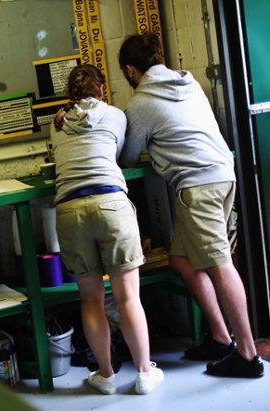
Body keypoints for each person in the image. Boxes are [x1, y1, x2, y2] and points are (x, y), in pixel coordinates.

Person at [117, 33, 264, 378]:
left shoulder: (140, 102)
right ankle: (220, 337)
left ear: (130, 70)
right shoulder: (188, 81)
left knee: (219, 263)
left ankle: (247, 355)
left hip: (197, 187)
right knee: (182, 260)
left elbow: (124, 158)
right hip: (224, 175)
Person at [50, 63, 164, 395]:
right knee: (128, 296)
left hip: (70, 209)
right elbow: (118, 156)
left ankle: (105, 375)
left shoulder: (57, 122)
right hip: (111, 204)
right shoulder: (115, 115)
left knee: (90, 299)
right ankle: (144, 373)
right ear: (101, 90)